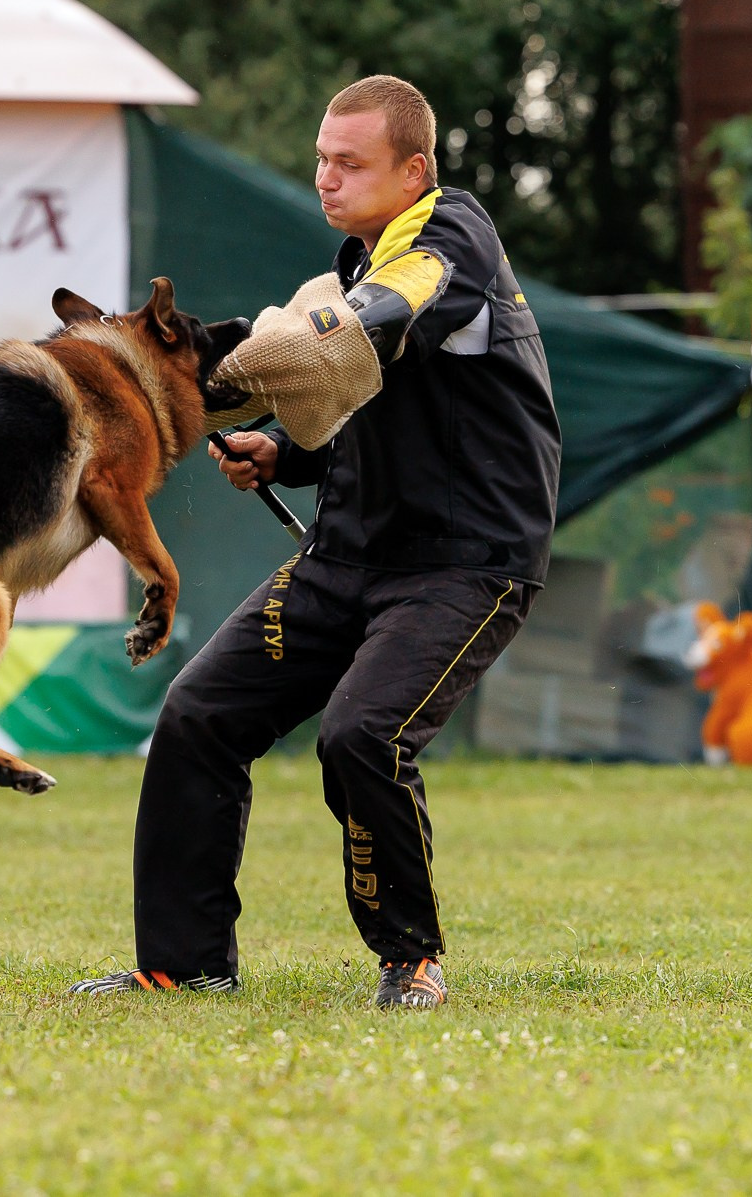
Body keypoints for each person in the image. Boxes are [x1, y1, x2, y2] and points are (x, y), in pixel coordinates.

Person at [72, 75, 561, 1008]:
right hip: (348, 558)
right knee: (197, 715)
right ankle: (184, 964)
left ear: (413, 170)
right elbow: (361, 397)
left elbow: (378, 326)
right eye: (321, 159)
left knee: (362, 736)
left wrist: (254, 364)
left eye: (350, 162)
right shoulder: (352, 264)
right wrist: (281, 447)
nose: (326, 177)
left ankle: (410, 959)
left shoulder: (449, 239)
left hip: (465, 567)